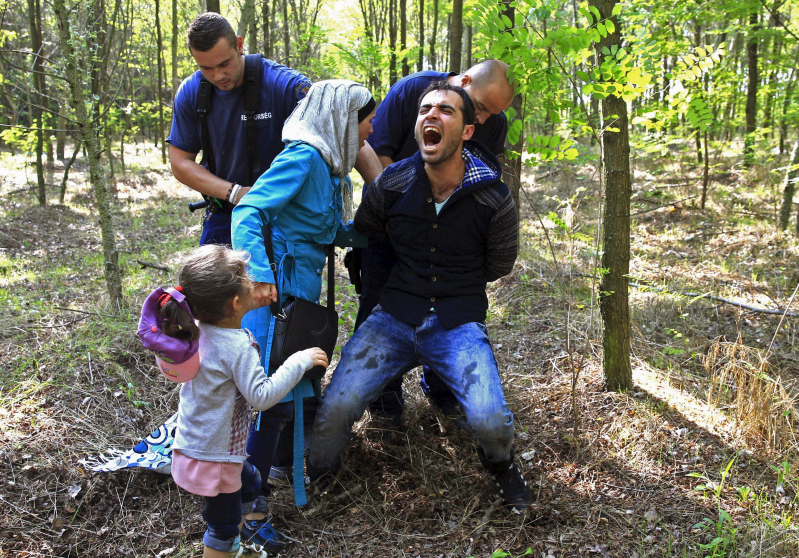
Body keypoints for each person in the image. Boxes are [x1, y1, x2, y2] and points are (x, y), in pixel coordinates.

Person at [307, 81, 532, 510]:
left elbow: (499, 264)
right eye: (425, 108)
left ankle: (502, 466)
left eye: (446, 111)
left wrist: (455, 281)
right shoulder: (393, 183)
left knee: (490, 421)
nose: (432, 115)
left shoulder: (493, 196)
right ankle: (319, 474)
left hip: (456, 321)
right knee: (336, 409)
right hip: (393, 315)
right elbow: (369, 229)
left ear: (467, 130)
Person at [231, 80, 376, 516]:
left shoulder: (329, 167)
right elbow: (248, 211)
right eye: (366, 120)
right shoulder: (304, 157)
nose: (370, 131)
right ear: (343, 119)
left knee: (286, 396)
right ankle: (247, 508)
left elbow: (324, 227)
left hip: (299, 300)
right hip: (276, 298)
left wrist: (374, 234)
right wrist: (257, 275)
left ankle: (266, 483)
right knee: (267, 400)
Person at [140, 244, 329, 558]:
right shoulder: (235, 347)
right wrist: (299, 361)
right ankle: (227, 548)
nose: (252, 280)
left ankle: (234, 546)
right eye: (246, 277)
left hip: (199, 447)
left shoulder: (194, 332)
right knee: (222, 529)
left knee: (252, 484)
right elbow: (262, 397)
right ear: (236, 301)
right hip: (216, 459)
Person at [358, 60, 516, 423]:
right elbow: (376, 151)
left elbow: (489, 174)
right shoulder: (413, 92)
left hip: (452, 239)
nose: (487, 120)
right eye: (481, 107)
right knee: (378, 306)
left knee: (452, 315)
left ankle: (444, 390)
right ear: (463, 81)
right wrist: (400, 210)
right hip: (391, 225)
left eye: (493, 114)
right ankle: (384, 401)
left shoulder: (493, 122)